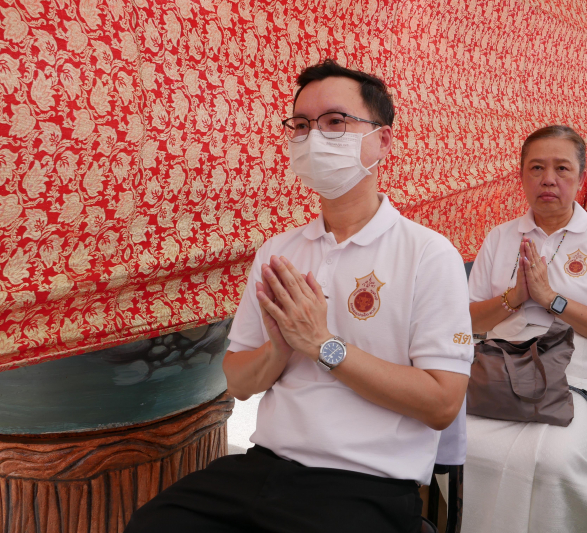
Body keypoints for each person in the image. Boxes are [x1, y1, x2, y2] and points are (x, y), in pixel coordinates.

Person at [124, 60, 474, 533]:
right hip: (263, 466)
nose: (314, 138)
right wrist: (279, 349)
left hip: (366, 481)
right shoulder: (279, 252)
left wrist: (323, 345)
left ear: (383, 140)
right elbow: (238, 382)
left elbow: (442, 404)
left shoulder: (428, 254)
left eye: (335, 121)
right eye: (302, 125)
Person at [464, 125, 587, 533]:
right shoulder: (500, 237)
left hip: (580, 375)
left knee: (554, 461)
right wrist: (514, 297)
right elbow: (468, 321)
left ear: (581, 177)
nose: (548, 179)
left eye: (562, 168)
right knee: (452, 440)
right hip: (499, 372)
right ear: (522, 175)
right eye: (536, 168)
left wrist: (552, 300)